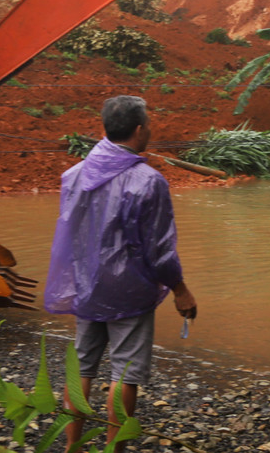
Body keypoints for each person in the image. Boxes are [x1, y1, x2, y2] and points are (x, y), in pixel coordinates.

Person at [45, 95, 197, 452]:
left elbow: (71, 233)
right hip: (128, 288)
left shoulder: (74, 175)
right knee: (124, 371)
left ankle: (72, 445)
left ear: (105, 128)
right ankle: (113, 448)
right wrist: (180, 289)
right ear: (140, 130)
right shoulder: (149, 181)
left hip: (86, 283)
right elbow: (159, 249)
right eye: (150, 125)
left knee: (82, 366)